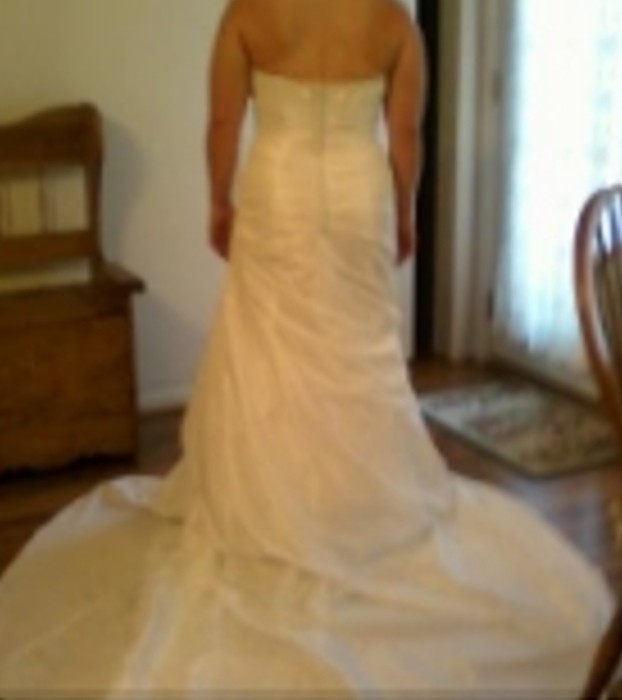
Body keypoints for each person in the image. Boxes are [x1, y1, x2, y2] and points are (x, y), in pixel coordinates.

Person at [0, 0, 614, 696]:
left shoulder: (249, 13)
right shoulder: (395, 23)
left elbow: (223, 122)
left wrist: (219, 200)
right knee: (358, 350)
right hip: (358, 192)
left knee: (273, 354)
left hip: (279, 189)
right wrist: (404, 210)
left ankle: (279, 510)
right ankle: (356, 510)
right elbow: (404, 133)